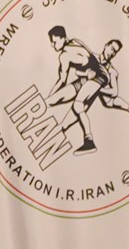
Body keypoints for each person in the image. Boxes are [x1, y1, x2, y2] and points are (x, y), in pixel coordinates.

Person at [45, 25, 108, 156]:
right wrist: (49, 99)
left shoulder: (64, 56)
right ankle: (55, 134)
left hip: (98, 77)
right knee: (58, 108)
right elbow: (91, 59)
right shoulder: (75, 41)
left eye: (54, 41)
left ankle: (89, 141)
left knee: (77, 105)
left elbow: (62, 81)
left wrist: (50, 95)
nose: (52, 45)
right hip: (88, 78)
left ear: (63, 38)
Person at [97, 39, 129, 132]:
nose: (112, 53)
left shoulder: (112, 71)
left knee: (108, 102)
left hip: (104, 97)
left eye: (115, 52)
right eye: (112, 49)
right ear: (106, 46)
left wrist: (98, 89)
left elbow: (114, 92)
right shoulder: (92, 57)